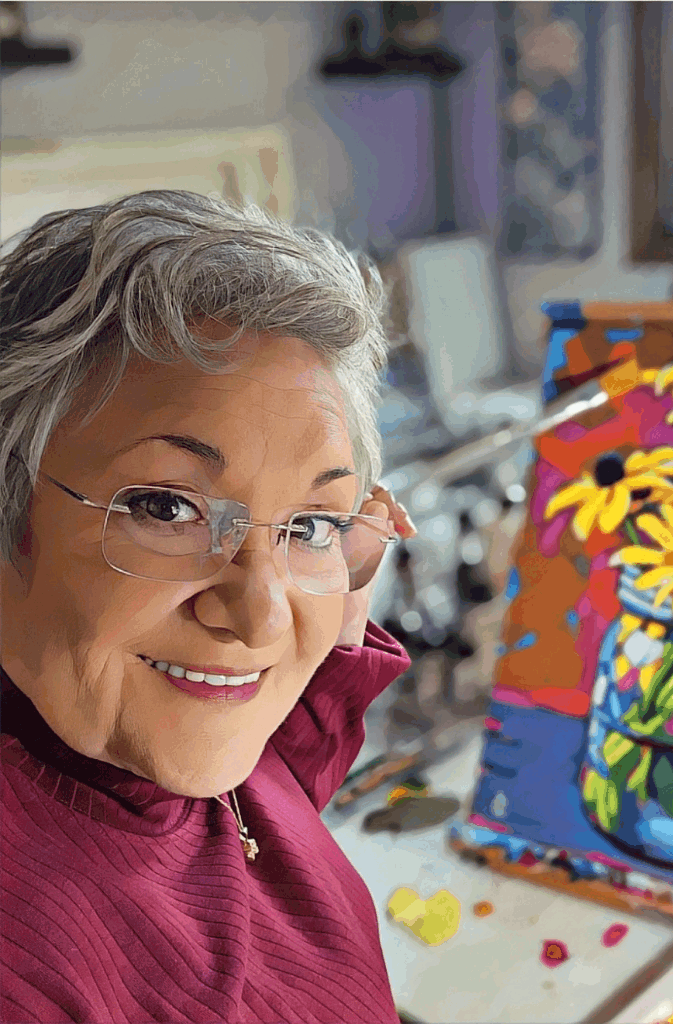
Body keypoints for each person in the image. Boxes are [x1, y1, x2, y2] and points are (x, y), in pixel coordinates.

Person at [0, 190, 419, 1024]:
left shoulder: (186, 744)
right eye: (165, 508)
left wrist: (335, 592)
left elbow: (281, 771)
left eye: (310, 520)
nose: (260, 615)